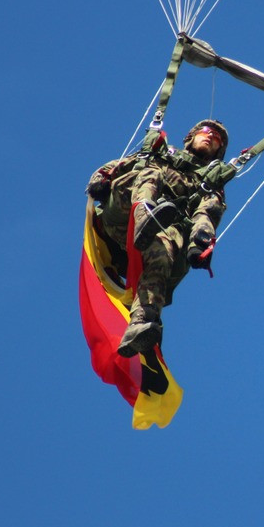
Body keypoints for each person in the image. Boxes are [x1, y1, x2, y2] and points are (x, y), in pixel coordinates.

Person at [85, 119, 231, 356]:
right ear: (190, 136)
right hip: (123, 216)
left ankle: (142, 324)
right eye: (207, 132)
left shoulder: (208, 185)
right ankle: (145, 212)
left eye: (218, 139)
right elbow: (117, 166)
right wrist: (99, 180)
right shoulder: (157, 156)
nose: (211, 137)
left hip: (157, 235)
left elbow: (206, 214)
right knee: (150, 172)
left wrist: (200, 244)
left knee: (163, 254)